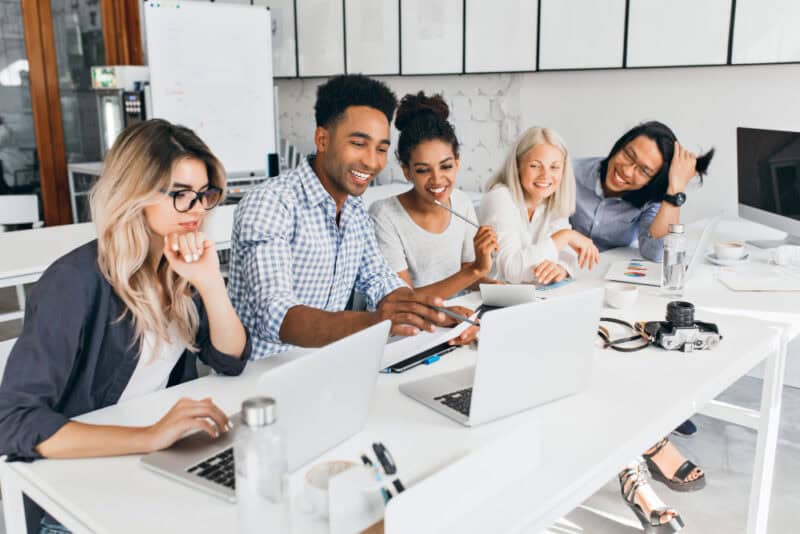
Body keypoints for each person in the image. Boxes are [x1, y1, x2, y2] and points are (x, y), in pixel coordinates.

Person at [0, 119, 250, 531]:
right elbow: (13, 420)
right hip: (79, 497)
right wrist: (149, 436)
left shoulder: (177, 267)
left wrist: (209, 283)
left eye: (205, 194)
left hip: (153, 470)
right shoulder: (74, 282)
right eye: (181, 195)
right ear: (135, 194)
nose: (200, 210)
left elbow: (230, 358)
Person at [229, 75, 457, 359]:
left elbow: (380, 280)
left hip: (326, 367)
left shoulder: (354, 211)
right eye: (359, 144)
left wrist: (431, 314)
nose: (372, 162)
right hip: (258, 377)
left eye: (382, 149)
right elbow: (273, 314)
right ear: (322, 139)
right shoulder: (271, 202)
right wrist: (377, 322)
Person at [369, 91, 499, 300]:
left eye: (446, 166)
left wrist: (498, 287)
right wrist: (476, 269)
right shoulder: (384, 215)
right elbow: (403, 299)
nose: (437, 179)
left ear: (457, 162)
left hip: (458, 317)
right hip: (412, 325)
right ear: (406, 170)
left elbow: (466, 273)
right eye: (422, 170)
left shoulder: (461, 203)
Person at [570, 121, 714, 262]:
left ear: (653, 180)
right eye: (628, 155)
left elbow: (655, 253)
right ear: (620, 145)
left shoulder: (650, 198)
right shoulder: (569, 172)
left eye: (644, 170)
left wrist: (675, 188)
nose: (626, 171)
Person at [478, 127, 599, 284]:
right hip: (493, 298)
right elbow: (511, 271)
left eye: (554, 167)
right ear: (517, 165)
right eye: (535, 166)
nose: (546, 175)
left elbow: (566, 255)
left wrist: (560, 268)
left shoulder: (551, 198)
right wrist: (566, 236)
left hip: (532, 295)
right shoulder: (499, 197)